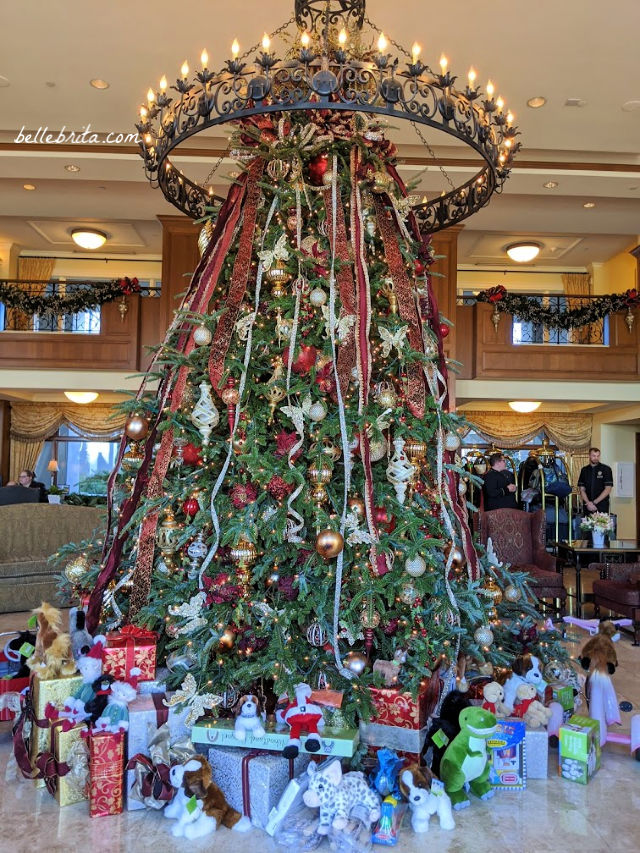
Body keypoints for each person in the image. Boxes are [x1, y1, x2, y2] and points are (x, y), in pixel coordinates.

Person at [578, 447, 613, 514]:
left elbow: (608, 489)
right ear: (589, 456)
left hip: (602, 505)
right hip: (587, 506)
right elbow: (582, 489)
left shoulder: (606, 469)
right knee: (586, 524)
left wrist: (594, 502)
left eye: (598, 456)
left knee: (601, 524)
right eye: (594, 456)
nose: (596, 458)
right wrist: (588, 503)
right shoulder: (584, 470)